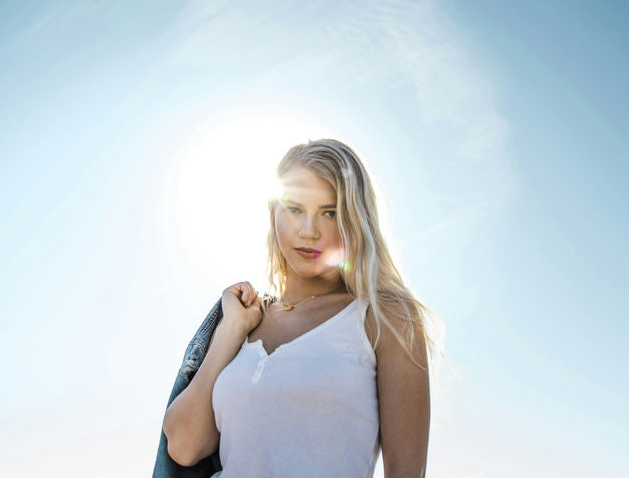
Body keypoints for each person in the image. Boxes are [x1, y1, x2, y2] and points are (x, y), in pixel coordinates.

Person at [160, 138, 445, 477]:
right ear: (273, 212)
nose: (309, 232)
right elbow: (184, 446)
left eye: (330, 212)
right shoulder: (244, 318)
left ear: (355, 219)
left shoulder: (386, 318)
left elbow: (405, 472)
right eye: (294, 209)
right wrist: (231, 331)